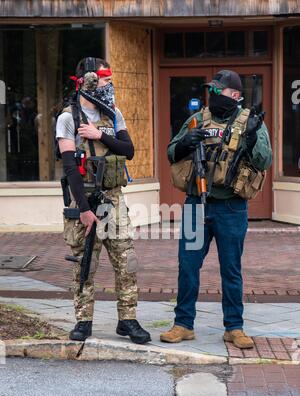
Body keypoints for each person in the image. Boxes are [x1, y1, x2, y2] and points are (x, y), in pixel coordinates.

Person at [160, 70, 272, 349]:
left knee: (231, 269)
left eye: (218, 90)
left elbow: (265, 160)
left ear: (235, 95)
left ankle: (234, 327)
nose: (213, 95)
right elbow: (171, 151)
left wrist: (251, 137)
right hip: (197, 204)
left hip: (231, 208)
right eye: (212, 90)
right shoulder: (198, 119)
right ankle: (183, 325)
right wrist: (185, 142)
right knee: (188, 267)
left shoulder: (250, 121)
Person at [56, 57, 151, 344]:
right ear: (88, 81)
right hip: (84, 200)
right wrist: (83, 210)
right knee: (85, 264)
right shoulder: (68, 117)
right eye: (105, 79)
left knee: (127, 261)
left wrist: (99, 135)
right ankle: (83, 321)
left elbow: (129, 150)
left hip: (114, 199)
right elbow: (70, 167)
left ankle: (128, 319)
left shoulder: (113, 114)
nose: (110, 84)